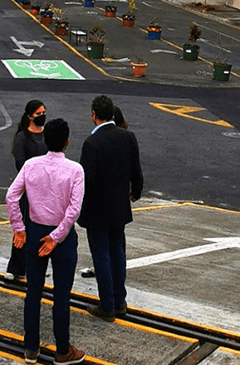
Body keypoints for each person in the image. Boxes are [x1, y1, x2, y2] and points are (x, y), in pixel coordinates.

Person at [7, 118, 85, 365]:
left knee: (33, 291)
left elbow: (11, 196)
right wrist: (56, 237)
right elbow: (74, 209)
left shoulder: (31, 165)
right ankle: (63, 350)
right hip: (61, 236)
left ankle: (31, 348)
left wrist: (19, 228)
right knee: (61, 295)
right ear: (67, 142)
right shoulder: (75, 170)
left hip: (34, 230)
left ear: (45, 140)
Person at [78, 96, 143, 322]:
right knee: (118, 252)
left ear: (94, 114)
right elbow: (136, 170)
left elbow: (87, 179)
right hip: (119, 208)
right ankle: (120, 300)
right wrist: (136, 192)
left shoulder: (92, 143)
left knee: (101, 255)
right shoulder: (128, 137)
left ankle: (106, 305)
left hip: (97, 210)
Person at [5, 100, 48, 281]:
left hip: (45, 190)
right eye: (38, 113)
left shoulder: (47, 135)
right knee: (22, 227)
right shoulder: (22, 137)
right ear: (30, 116)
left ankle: (36, 266)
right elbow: (20, 164)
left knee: (41, 229)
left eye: (43, 112)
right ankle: (16, 267)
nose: (42, 116)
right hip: (28, 189)